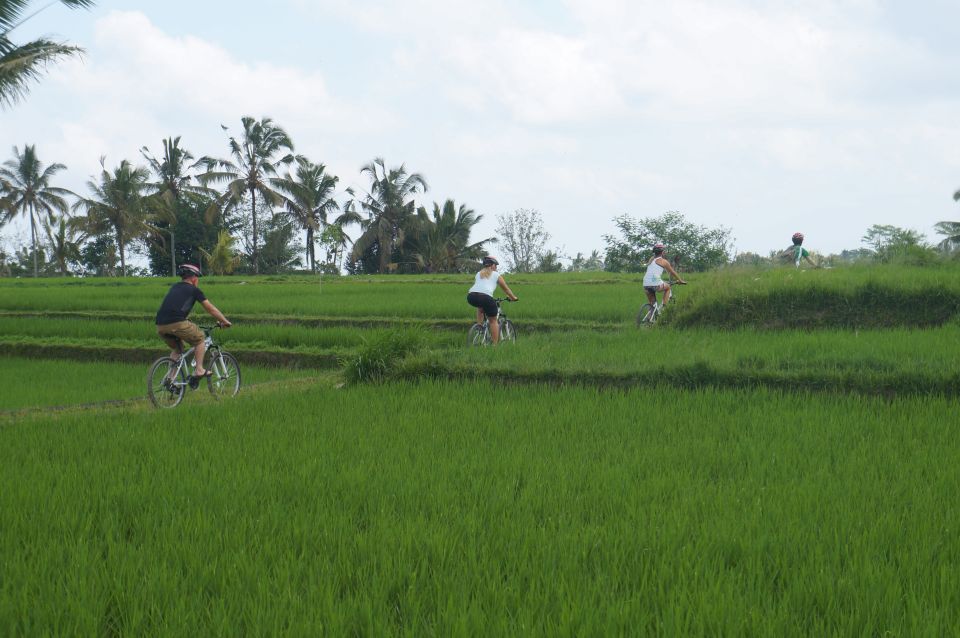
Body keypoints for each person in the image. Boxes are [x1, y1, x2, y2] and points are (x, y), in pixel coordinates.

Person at [155, 263, 231, 380]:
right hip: (177, 323)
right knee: (200, 338)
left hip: (160, 325)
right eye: (197, 278)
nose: (198, 281)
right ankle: (199, 369)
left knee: (178, 348)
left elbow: (175, 307)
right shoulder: (194, 290)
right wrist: (225, 321)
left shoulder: (175, 287)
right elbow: (210, 309)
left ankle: (170, 379)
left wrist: (184, 319)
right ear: (194, 277)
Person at [467, 256, 518, 345]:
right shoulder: (496, 275)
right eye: (496, 265)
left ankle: (479, 327)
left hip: (471, 296)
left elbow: (480, 288)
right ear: (493, 265)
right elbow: (506, 290)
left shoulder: (478, 274)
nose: (496, 268)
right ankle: (495, 345)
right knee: (493, 321)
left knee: (480, 306)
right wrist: (513, 298)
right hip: (486, 297)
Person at [643, 243, 686, 307]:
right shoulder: (664, 261)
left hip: (646, 284)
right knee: (668, 287)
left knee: (653, 306)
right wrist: (680, 280)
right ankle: (663, 307)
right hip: (655, 284)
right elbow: (672, 272)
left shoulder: (651, 260)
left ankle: (650, 315)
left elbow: (653, 275)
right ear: (662, 252)